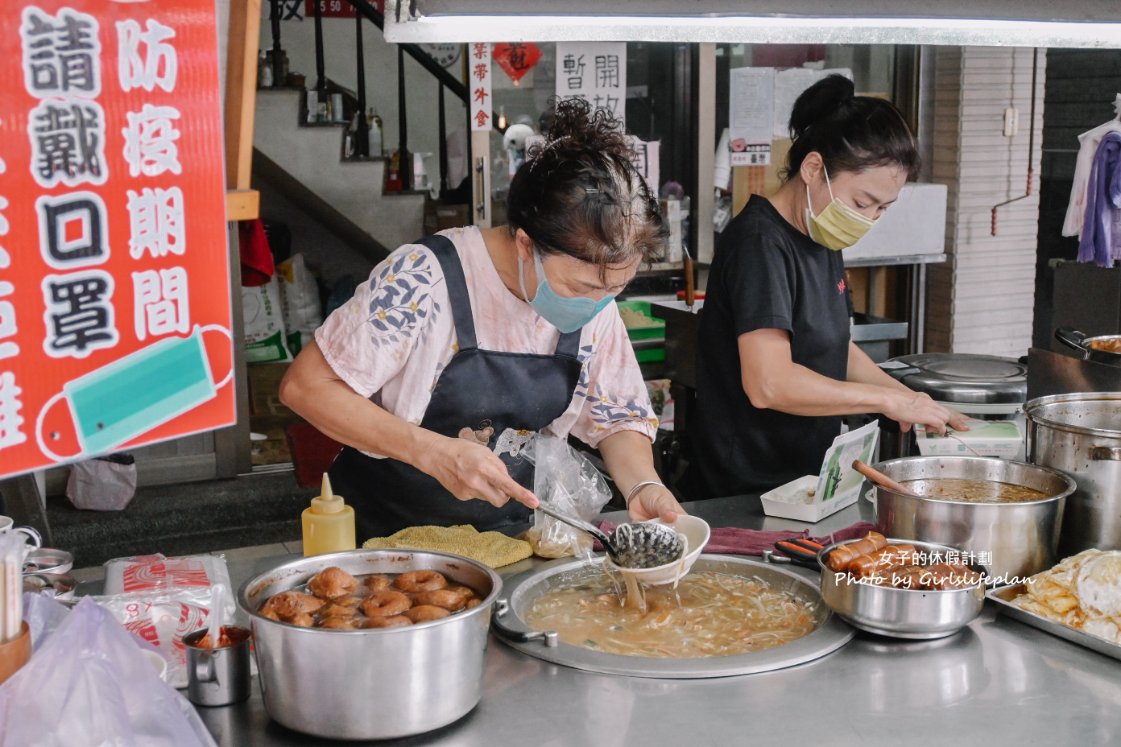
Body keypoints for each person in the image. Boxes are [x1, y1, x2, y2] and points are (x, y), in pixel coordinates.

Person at [280, 97, 685, 539]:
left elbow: (618, 417)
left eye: (615, 290)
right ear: (527, 245)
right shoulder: (423, 277)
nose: (597, 305)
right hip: (387, 540)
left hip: (510, 541)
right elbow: (306, 387)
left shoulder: (596, 300)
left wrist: (642, 484)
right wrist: (431, 451)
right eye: (582, 289)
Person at [692, 74, 969, 498]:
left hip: (806, 481)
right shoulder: (759, 245)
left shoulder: (820, 234)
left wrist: (911, 401)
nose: (871, 218)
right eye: (862, 202)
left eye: (883, 207)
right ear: (814, 168)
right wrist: (883, 402)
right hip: (747, 490)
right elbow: (769, 383)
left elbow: (832, 346)